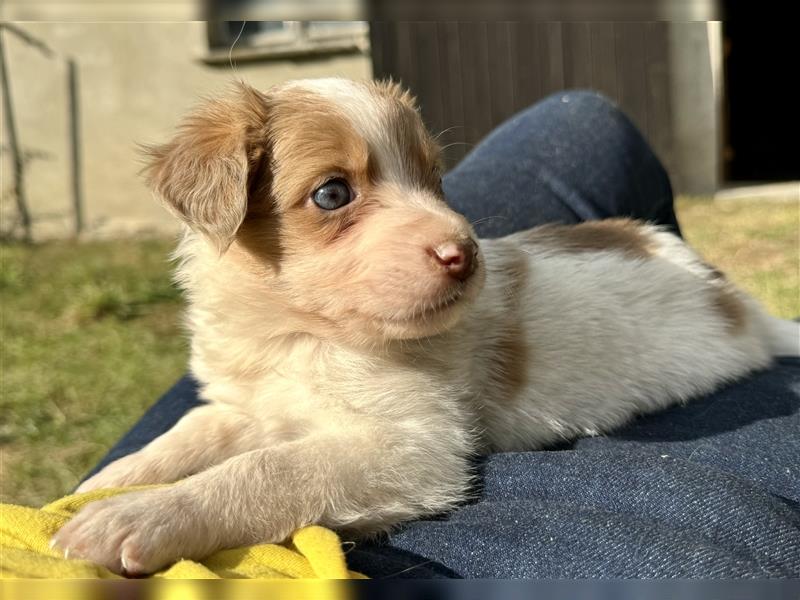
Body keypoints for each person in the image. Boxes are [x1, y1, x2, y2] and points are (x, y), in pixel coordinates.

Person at [84, 91, 800, 578]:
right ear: (220, 209)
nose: (450, 234)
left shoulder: (395, 336)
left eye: (426, 178)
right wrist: (124, 484)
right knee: (582, 120)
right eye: (334, 194)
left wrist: (199, 510)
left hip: (696, 332)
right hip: (647, 271)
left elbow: (406, 463)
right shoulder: (249, 324)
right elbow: (238, 415)